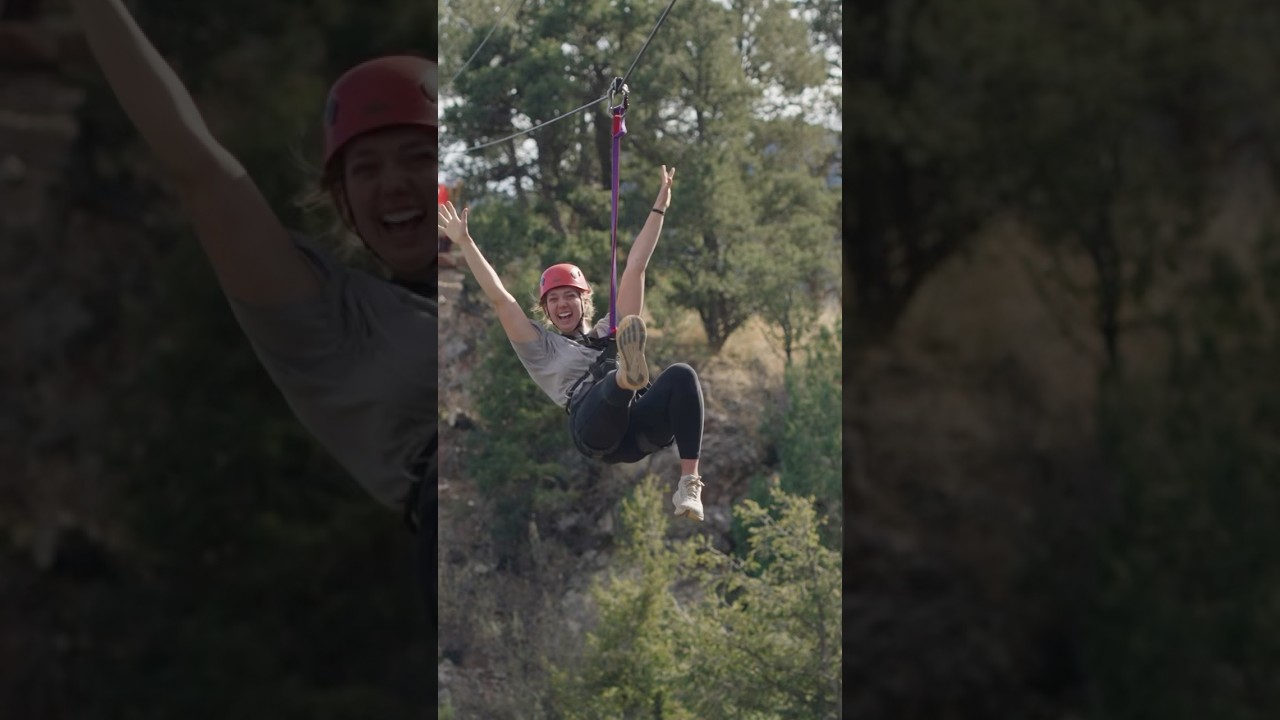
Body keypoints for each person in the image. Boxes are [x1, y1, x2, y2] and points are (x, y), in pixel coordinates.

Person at [69, 0, 438, 620]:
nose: (393, 182)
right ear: (345, 203)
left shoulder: (539, 280)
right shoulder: (335, 322)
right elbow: (200, 169)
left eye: (420, 157)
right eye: (366, 168)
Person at [437, 166, 707, 521]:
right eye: (553, 299)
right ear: (545, 309)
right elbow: (501, 298)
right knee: (613, 380)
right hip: (594, 428)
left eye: (569, 296)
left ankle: (689, 485)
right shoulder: (540, 347)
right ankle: (626, 376)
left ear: (584, 301)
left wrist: (660, 207)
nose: (561, 304)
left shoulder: (609, 330)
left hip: (638, 432)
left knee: (682, 375)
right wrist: (465, 243)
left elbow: (636, 267)